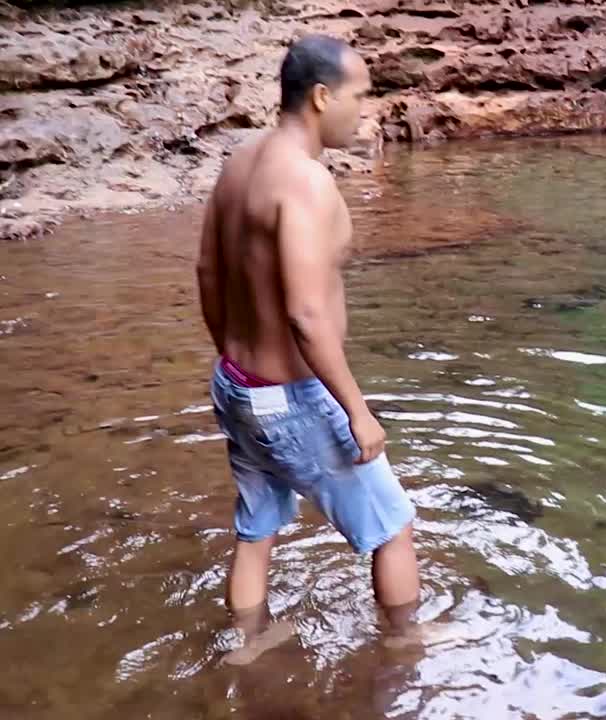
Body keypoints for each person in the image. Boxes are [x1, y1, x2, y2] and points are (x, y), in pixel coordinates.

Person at [196, 34, 420, 663]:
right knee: (393, 528)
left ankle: (247, 643)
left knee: (257, 528)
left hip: (237, 384)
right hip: (292, 397)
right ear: (322, 97)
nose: (365, 111)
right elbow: (304, 311)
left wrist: (237, 364)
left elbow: (208, 275)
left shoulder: (239, 165)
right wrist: (357, 409)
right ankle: (406, 651)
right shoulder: (304, 182)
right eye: (360, 97)